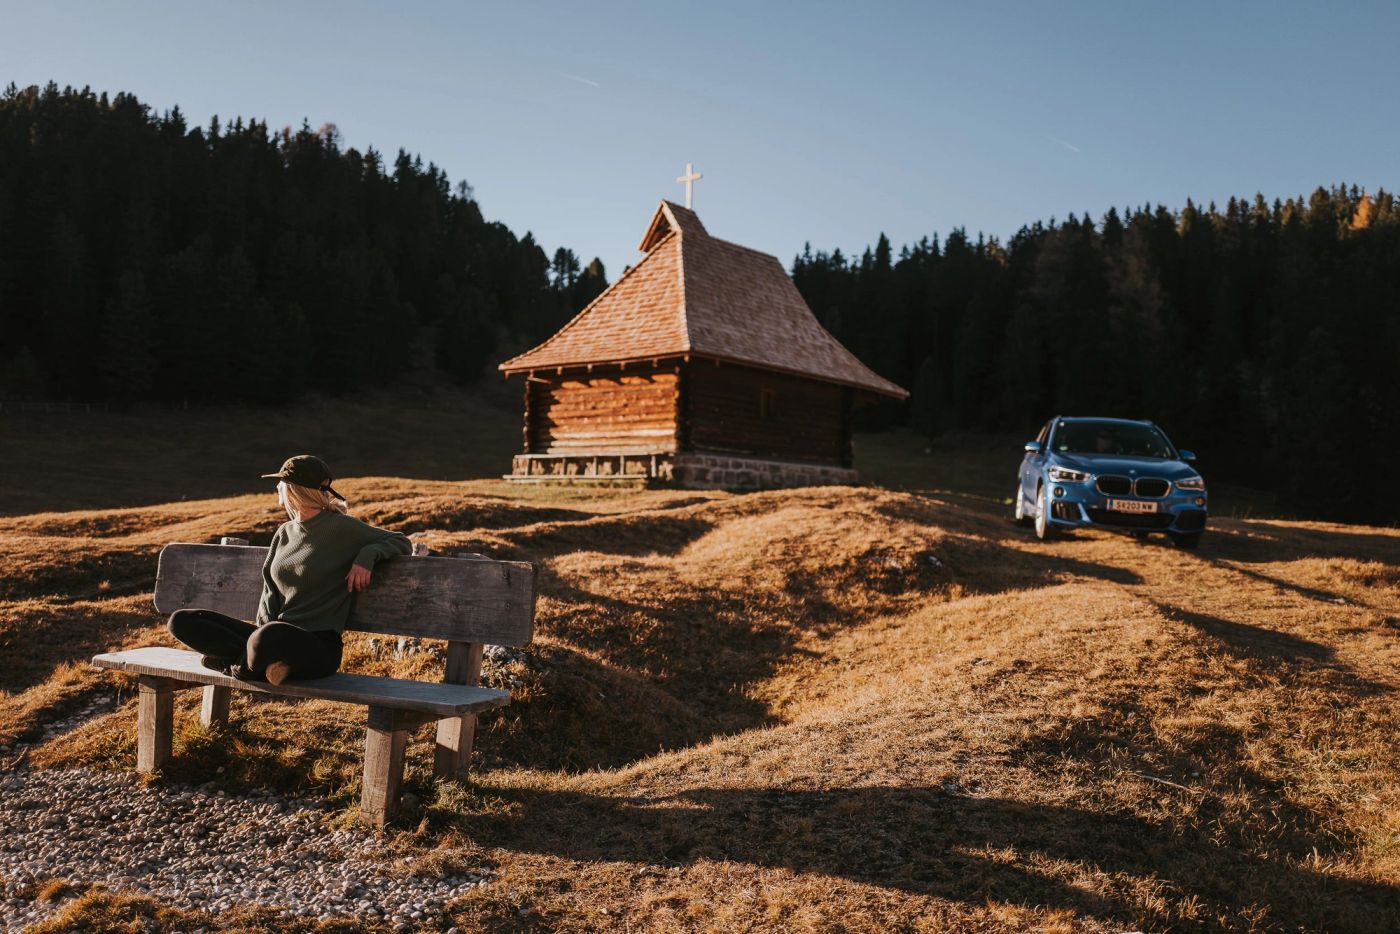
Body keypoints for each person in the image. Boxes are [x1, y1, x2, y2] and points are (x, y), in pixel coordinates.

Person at [167, 455, 412, 685]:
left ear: (294, 488)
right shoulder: (284, 532)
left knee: (269, 636)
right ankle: (265, 664)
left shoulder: (341, 528)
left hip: (317, 646)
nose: (277, 489)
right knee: (182, 621)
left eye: (281, 483)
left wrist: (366, 557)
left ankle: (235, 666)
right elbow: (269, 589)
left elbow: (401, 541)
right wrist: (258, 633)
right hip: (271, 636)